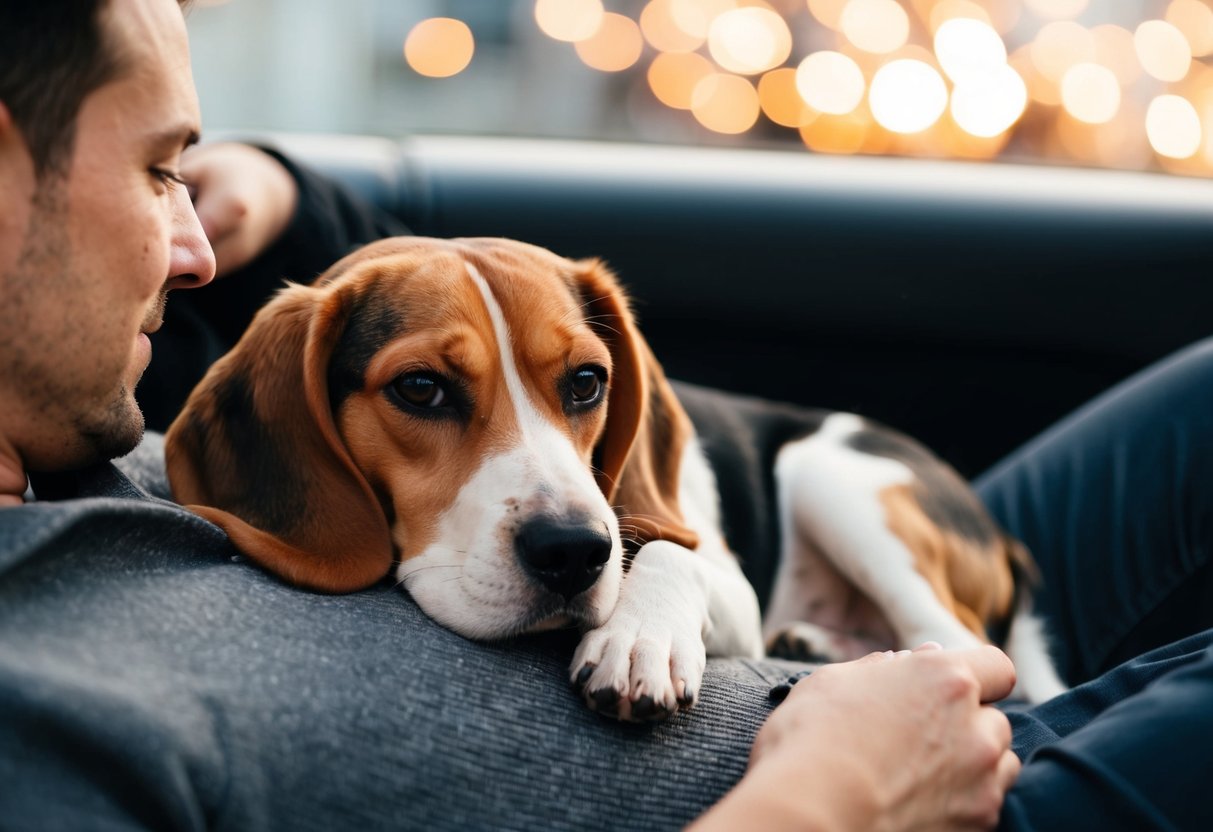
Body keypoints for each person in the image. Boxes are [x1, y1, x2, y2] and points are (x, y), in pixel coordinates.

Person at [0, 1, 1209, 830]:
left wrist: (291, 185)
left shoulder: (90, 441)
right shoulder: (38, 713)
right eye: (160, 170)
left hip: (876, 669)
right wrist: (831, 797)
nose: (195, 249)